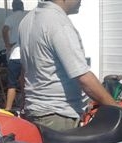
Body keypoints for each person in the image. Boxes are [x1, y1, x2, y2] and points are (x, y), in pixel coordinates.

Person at [18, 0, 115, 130]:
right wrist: (120, 111)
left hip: (34, 111)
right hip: (58, 115)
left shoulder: (27, 21)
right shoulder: (58, 23)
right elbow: (83, 77)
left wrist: (24, 104)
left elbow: (24, 72)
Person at [2, 0, 26, 111]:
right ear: (22, 7)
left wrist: (7, 44)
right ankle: (24, 106)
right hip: (26, 55)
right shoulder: (27, 17)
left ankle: (8, 108)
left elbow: (4, 30)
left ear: (13, 7)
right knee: (24, 82)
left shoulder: (10, 18)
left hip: (15, 55)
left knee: (12, 84)